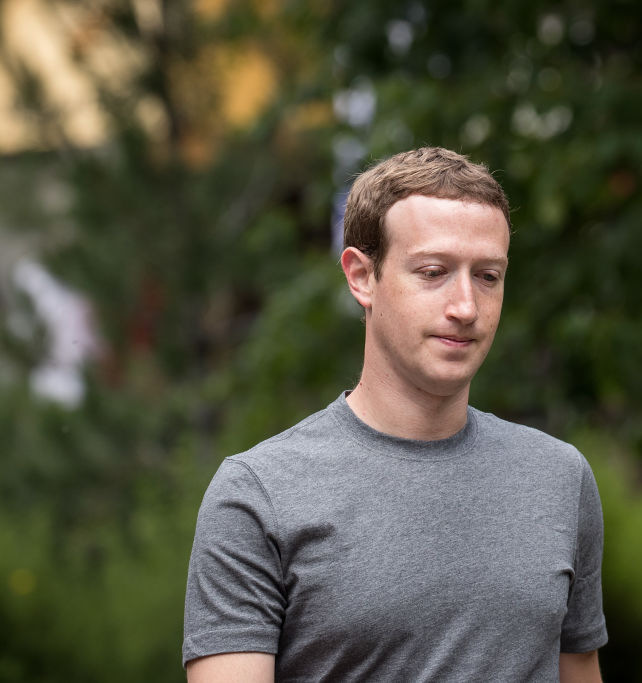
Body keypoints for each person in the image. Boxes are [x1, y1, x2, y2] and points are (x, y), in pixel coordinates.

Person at [183, 147, 607, 682]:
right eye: (433, 272)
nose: (466, 307)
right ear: (362, 276)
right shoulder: (258, 495)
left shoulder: (559, 479)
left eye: (488, 276)